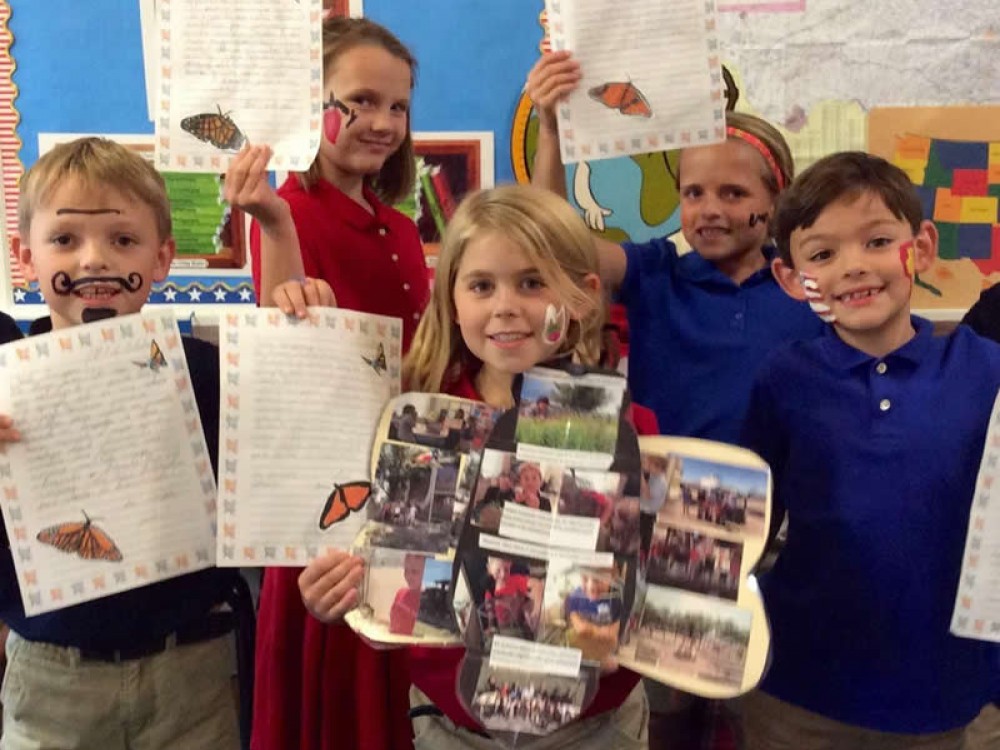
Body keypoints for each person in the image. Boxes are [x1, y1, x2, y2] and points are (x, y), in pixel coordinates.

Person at [298, 183, 650, 749]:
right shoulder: (413, 425)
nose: (505, 305)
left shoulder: (632, 428)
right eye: (482, 285)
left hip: (593, 726)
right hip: (453, 726)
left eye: (531, 283)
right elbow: (387, 574)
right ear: (452, 301)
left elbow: (651, 583)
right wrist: (345, 593)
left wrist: (628, 628)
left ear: (584, 296)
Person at [741, 151, 1000, 749]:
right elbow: (749, 521)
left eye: (878, 241)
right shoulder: (784, 379)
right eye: (824, 255)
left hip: (943, 692)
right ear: (790, 278)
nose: (854, 267)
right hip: (799, 691)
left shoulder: (985, 370)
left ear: (923, 247)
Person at [221, 16, 428, 750]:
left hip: (404, 495)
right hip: (329, 509)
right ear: (312, 103)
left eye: (398, 107)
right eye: (360, 101)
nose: (382, 122)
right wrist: (274, 226)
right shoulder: (289, 211)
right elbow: (285, 340)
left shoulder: (397, 225)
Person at [0, 137, 241, 749]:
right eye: (65, 241)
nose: (94, 261)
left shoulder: (209, 373)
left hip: (192, 671)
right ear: (24, 257)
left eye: (123, 240)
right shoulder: (6, 378)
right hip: (54, 675)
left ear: (162, 259)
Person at [526, 51, 825, 444]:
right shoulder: (655, 270)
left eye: (734, 194)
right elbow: (553, 242)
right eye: (694, 193)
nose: (711, 210)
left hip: (780, 499)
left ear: (776, 202)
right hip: (659, 492)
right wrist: (550, 132)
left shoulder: (812, 290)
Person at [564, 569, 623, 662]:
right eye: (585, 578)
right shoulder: (575, 596)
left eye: (598, 579)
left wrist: (591, 630)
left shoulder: (616, 600)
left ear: (613, 578)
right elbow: (581, 629)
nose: (591, 586)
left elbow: (612, 636)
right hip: (579, 649)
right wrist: (599, 631)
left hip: (603, 652)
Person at [389, 554, 426, 635]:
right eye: (406, 570)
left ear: (425, 572)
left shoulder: (426, 601)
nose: (409, 576)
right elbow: (392, 623)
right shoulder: (400, 593)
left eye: (414, 571)